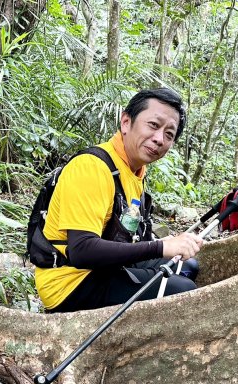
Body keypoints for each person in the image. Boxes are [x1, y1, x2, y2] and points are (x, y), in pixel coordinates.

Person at [35, 88, 203, 313]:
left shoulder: (133, 171)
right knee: (183, 289)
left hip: (102, 268)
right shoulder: (91, 168)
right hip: (70, 283)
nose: (159, 139)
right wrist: (162, 247)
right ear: (126, 122)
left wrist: (169, 245)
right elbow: (82, 251)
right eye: (153, 125)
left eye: (169, 134)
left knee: (187, 266)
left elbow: (129, 234)